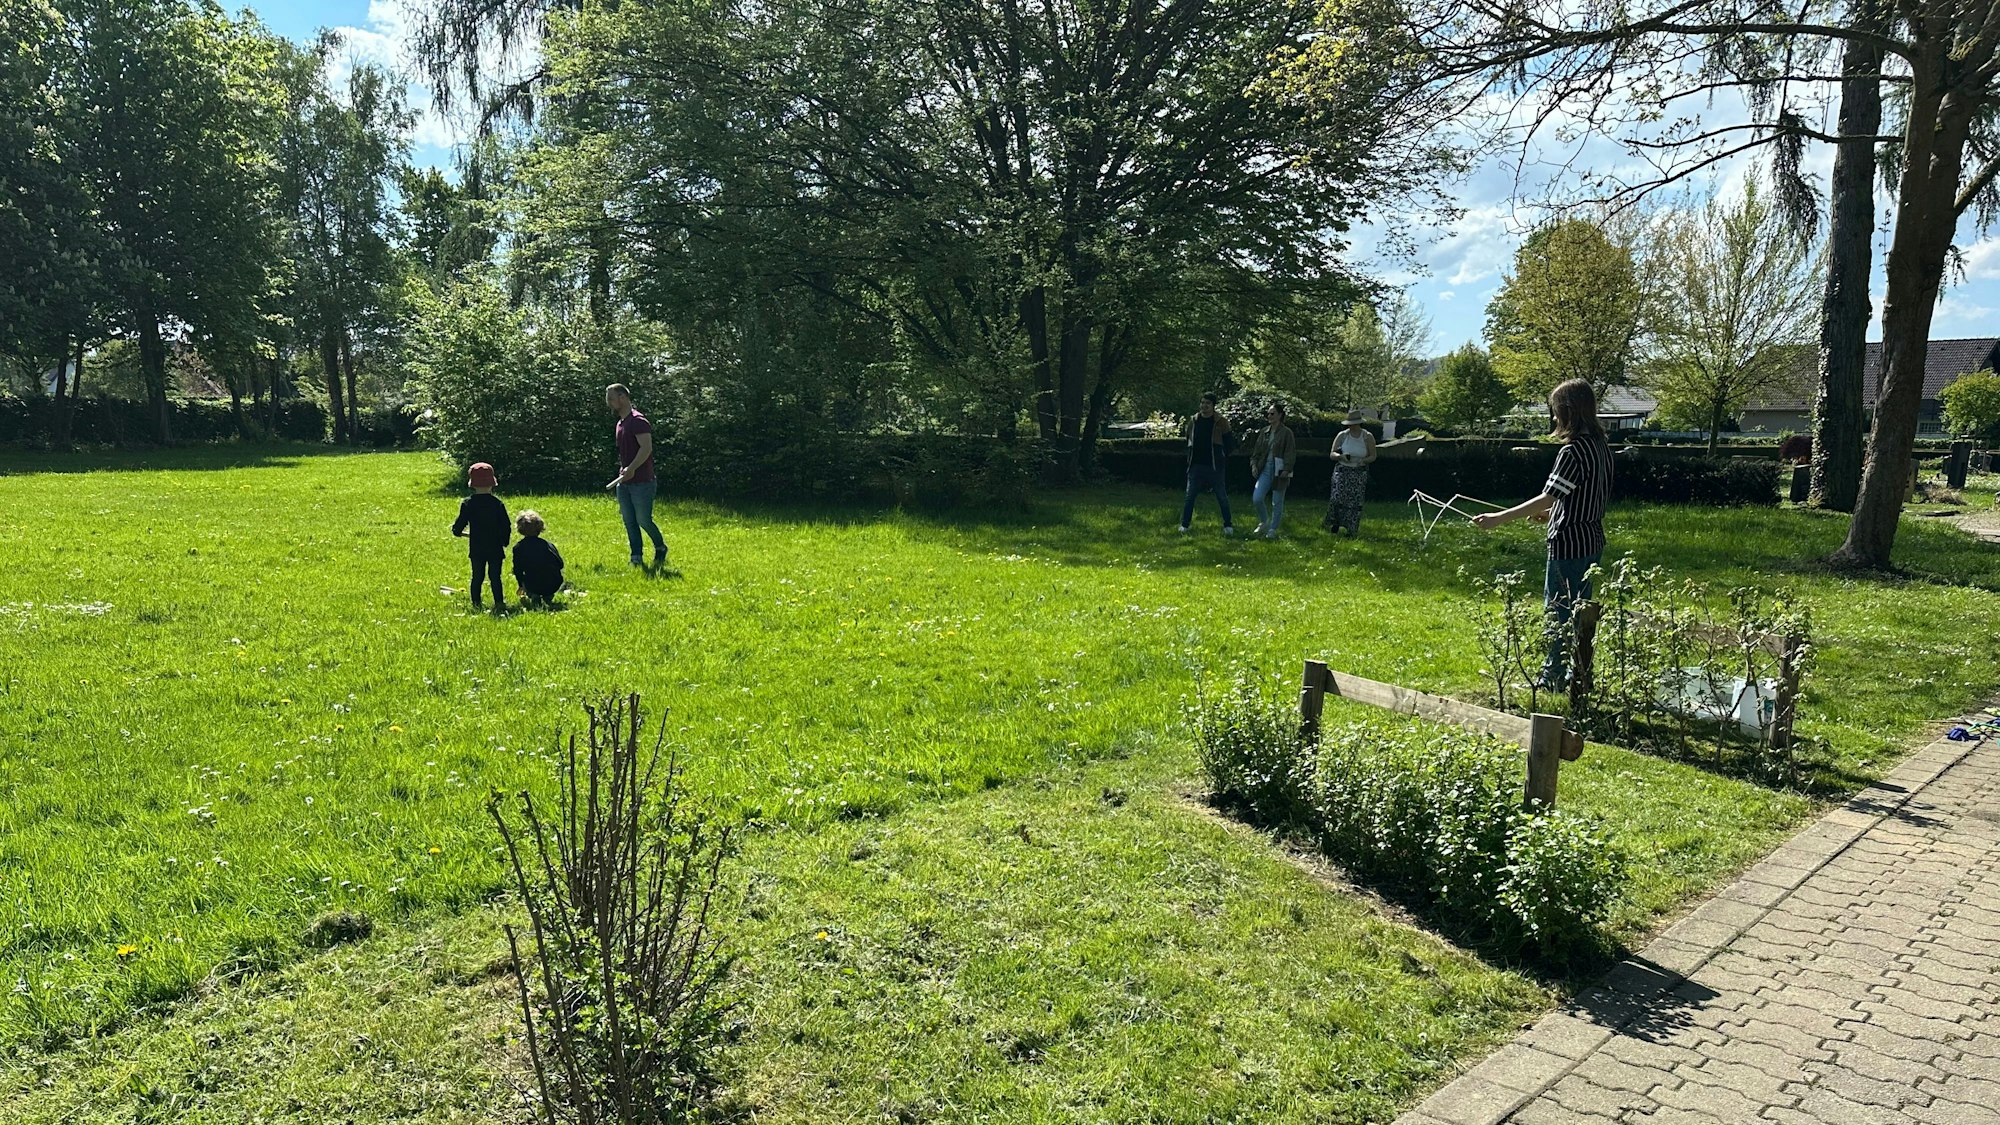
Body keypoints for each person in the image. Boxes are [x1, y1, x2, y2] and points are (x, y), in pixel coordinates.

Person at [1472, 378, 1614, 688]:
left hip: (1569, 543)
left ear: (1568, 411)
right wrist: (1552, 514)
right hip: (1592, 541)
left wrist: (1499, 518)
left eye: (1555, 411)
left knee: (1559, 610)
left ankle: (1551, 679)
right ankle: (1576, 675)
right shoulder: (1601, 447)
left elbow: (1550, 495)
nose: (1553, 418)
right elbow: (1586, 496)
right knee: (1580, 612)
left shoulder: (1573, 451)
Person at [605, 383, 668, 567]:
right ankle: (636, 557)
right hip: (624, 481)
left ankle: (660, 547)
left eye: (611, 398)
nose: (608, 402)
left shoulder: (638, 421)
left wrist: (632, 468)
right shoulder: (620, 423)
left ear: (622, 397)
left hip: (642, 481)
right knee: (629, 521)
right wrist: (626, 471)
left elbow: (646, 448)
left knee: (643, 520)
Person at [452, 462, 510, 612]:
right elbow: (506, 525)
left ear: (472, 484)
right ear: (493, 483)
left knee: (477, 576)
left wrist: (459, 532)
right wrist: (505, 541)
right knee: (495, 577)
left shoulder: (468, 504)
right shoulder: (497, 504)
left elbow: (458, 527)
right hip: (495, 546)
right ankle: (499, 602)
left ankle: (476, 604)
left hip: (477, 547)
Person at [1179, 392, 1236, 536]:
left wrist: (1223, 456)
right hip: (1196, 465)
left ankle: (1228, 525)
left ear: (1213, 406)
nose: (1204, 406)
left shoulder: (1221, 422)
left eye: (1207, 403)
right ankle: (1185, 525)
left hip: (1215, 466)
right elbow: (1188, 440)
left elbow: (1229, 443)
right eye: (1202, 403)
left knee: (1221, 496)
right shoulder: (1194, 421)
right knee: (1189, 496)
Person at [1323, 410, 1377, 537]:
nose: (1351, 426)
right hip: (1342, 470)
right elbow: (1332, 454)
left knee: (1354, 501)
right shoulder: (1342, 435)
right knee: (1337, 498)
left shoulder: (1367, 437)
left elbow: (1373, 455)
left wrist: (1364, 461)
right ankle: (1335, 523)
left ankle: (1351, 528)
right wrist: (1341, 456)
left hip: (1358, 472)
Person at [1248, 402, 1297, 539]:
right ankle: (1264, 522)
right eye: (1268, 413)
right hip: (1265, 469)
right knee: (1257, 498)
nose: (1269, 416)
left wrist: (1287, 469)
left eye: (1272, 413)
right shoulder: (1264, 432)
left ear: (1280, 415)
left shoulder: (1287, 433)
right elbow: (1256, 452)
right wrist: (1254, 465)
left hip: (1279, 471)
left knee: (1277, 501)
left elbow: (1290, 452)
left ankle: (1273, 529)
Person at [511, 510, 566, 608]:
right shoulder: (548, 545)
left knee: (527, 575)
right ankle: (548, 595)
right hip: (553, 582)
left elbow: (518, 570)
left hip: (533, 583)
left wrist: (521, 585)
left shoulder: (518, 548)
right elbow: (560, 564)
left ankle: (533, 594)